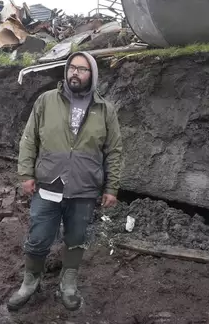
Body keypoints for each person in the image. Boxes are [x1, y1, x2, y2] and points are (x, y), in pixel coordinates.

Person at [8, 51, 123, 311]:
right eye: (72, 67)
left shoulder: (105, 109)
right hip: (49, 183)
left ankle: (68, 284)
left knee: (77, 237)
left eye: (82, 69)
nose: (75, 73)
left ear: (92, 75)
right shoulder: (46, 101)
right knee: (38, 236)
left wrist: (111, 187)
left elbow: (114, 151)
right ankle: (30, 281)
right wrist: (26, 174)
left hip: (84, 187)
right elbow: (29, 139)